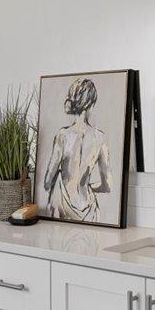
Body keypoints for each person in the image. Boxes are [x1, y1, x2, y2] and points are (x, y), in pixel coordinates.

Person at [44, 78, 112, 221]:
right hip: (89, 211)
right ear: (91, 105)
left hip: (63, 207)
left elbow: (47, 182)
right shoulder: (100, 138)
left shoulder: (62, 136)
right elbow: (107, 186)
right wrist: (85, 185)